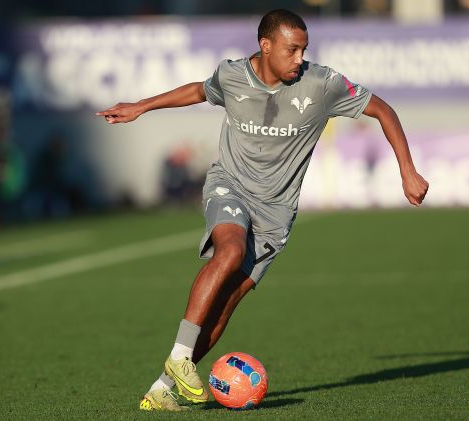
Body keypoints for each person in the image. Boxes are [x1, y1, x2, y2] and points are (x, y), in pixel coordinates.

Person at [97, 9, 429, 411]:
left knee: (226, 305)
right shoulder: (232, 75)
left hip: (276, 214)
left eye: (304, 49)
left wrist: (407, 170)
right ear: (265, 45)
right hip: (230, 185)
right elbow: (198, 91)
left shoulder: (322, 84)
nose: (300, 58)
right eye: (292, 49)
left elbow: (383, 110)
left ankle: (162, 388)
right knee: (230, 250)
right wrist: (141, 107)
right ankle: (181, 356)